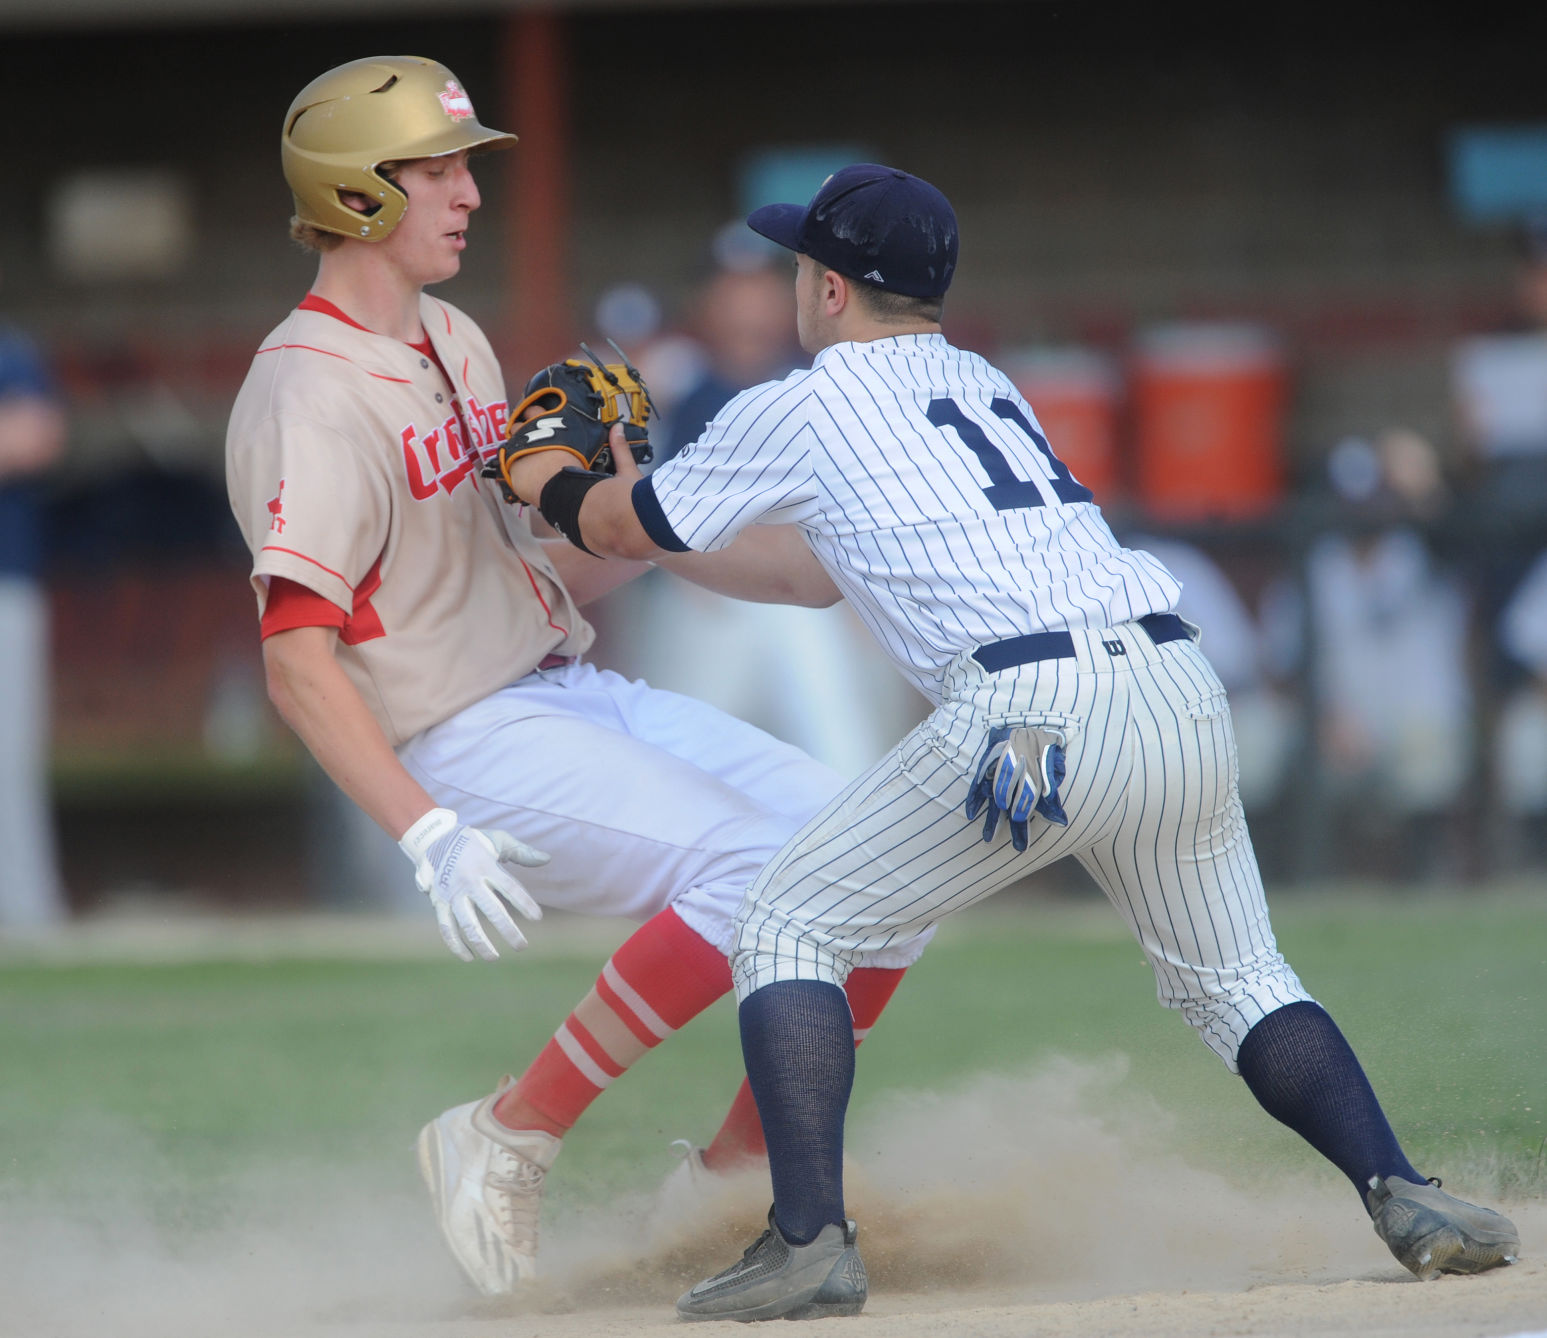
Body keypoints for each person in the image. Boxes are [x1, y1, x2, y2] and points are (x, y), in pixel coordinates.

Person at [494, 163, 1523, 1321]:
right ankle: (1401, 1191)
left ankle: (804, 1242)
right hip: (1173, 681)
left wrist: (549, 472)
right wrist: (632, 497)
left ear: (829, 289)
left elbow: (622, 526)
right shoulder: (981, 384)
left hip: (1031, 713)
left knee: (787, 923)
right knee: (1236, 977)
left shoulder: (804, 401)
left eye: (801, 263)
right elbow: (798, 572)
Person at [223, 59, 933, 1298]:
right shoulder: (309, 390)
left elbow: (526, 558)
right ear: (355, 196)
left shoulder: (450, 336)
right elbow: (295, 661)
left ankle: (725, 1181)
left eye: (462, 169)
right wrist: (426, 832)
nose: (467, 195)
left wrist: (680, 532)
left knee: (882, 857)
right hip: (458, 732)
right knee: (755, 869)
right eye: (436, 171)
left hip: (558, 687)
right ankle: (509, 1129)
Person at [0, 289, 69, 930]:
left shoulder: (11, 350)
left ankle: (24, 925)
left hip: (5, 586)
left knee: (5, 768)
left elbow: (33, 437)